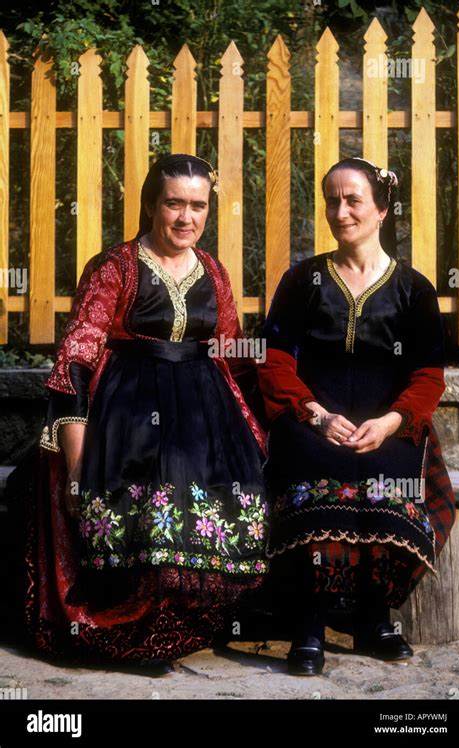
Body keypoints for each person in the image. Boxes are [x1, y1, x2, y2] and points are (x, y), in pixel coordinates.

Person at [7, 153, 268, 671]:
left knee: (215, 484)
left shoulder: (213, 271)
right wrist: (78, 465)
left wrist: (263, 423)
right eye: (174, 203)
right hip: (124, 411)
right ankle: (131, 633)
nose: (185, 218)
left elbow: (231, 351)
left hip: (202, 411)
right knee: (146, 487)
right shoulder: (116, 267)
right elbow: (75, 362)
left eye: (198, 206)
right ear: (152, 203)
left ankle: (174, 630)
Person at [257, 157, 455, 676]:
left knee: (391, 473)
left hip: (387, 422)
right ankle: (309, 621)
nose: (340, 212)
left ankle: (374, 615)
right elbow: (275, 362)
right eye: (331, 200)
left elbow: (428, 375)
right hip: (312, 419)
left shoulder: (414, 289)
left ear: (382, 209)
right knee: (314, 471)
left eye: (353, 200)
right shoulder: (303, 280)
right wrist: (315, 415)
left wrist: (393, 422)